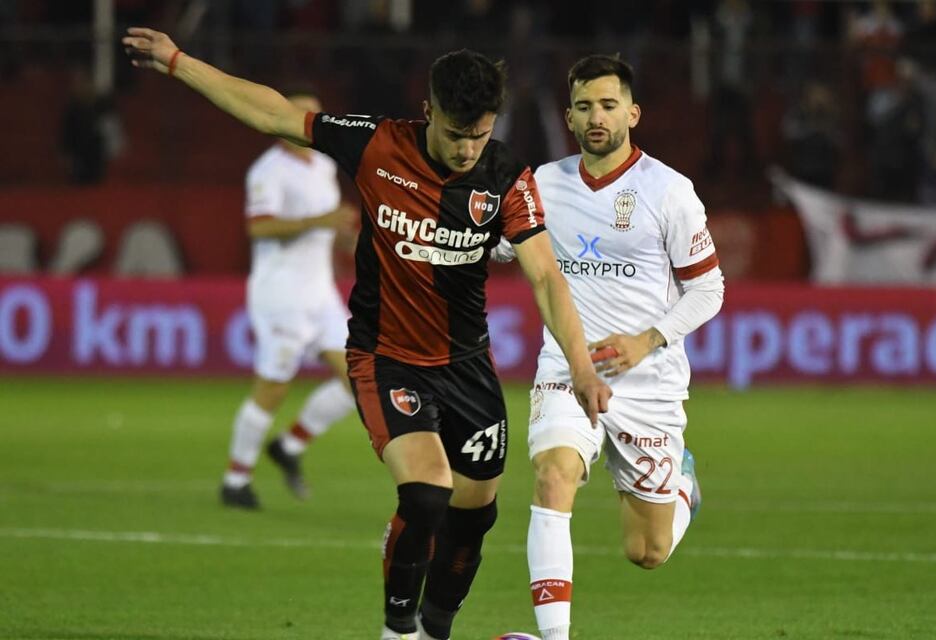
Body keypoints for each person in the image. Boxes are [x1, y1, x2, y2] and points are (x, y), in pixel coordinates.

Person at [121, 28, 611, 640]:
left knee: (474, 514)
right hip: (386, 357)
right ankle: (397, 630)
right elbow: (275, 114)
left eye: (480, 134)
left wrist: (582, 367)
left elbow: (545, 276)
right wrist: (177, 61)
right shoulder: (378, 144)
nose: (467, 149)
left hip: (467, 365)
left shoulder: (506, 176)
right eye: (456, 134)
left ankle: (434, 629)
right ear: (429, 111)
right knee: (426, 492)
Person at [499, 54, 725, 640]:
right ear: (569, 118)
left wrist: (646, 341)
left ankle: (683, 487)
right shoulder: (542, 185)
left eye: (607, 105)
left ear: (632, 113)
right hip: (567, 366)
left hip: (648, 380)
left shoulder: (669, 192)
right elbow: (498, 245)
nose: (595, 117)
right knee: (554, 476)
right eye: (583, 106)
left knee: (646, 551)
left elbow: (709, 289)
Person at [220, 87, 358, 510]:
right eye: (304, 116)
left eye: (316, 116)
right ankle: (235, 479)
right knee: (274, 387)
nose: (312, 124)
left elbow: (325, 226)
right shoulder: (268, 171)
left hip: (320, 292)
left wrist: (347, 237)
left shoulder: (323, 164)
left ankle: (290, 445)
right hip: (280, 294)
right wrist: (323, 219)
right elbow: (258, 227)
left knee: (361, 378)